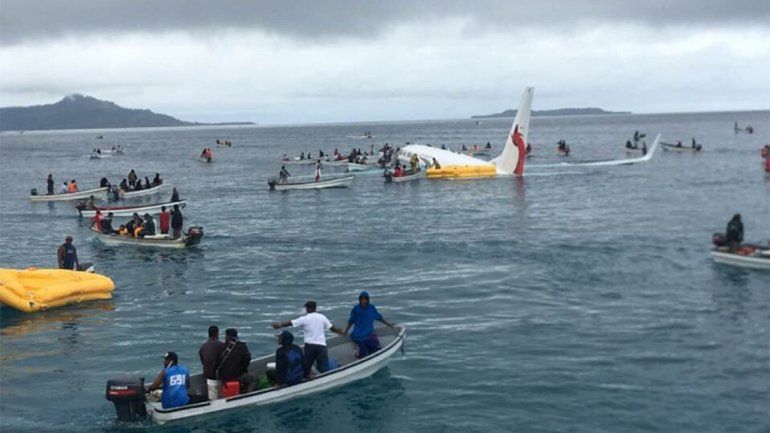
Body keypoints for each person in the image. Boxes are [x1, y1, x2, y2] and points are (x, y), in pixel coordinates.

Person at [272, 301, 344, 377]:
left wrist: (280, 325)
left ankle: (306, 378)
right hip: (321, 346)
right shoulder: (322, 317)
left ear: (307, 309)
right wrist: (340, 332)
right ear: (315, 308)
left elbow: (291, 323)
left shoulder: (305, 318)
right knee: (324, 367)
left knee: (306, 366)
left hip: (310, 346)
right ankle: (326, 378)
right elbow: (332, 328)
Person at [342, 291, 395, 358]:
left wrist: (389, 324)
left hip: (369, 334)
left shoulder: (371, 308)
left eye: (365, 299)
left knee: (377, 350)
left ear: (368, 300)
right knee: (363, 354)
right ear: (359, 300)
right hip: (358, 336)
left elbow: (380, 318)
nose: (363, 301)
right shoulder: (356, 309)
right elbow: (351, 321)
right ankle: (358, 351)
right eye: (362, 299)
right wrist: (345, 331)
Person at [199, 325, 226, 401]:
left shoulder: (203, 347)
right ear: (217, 334)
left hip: (207, 374)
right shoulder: (222, 345)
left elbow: (203, 362)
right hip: (218, 375)